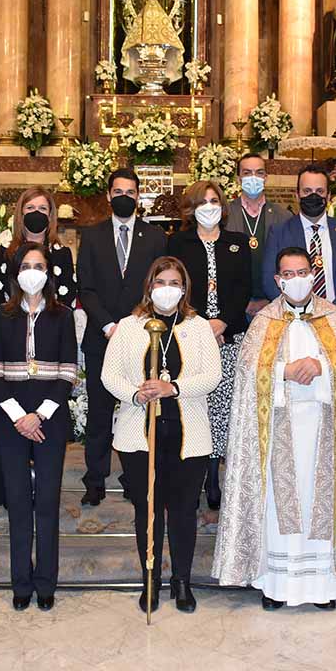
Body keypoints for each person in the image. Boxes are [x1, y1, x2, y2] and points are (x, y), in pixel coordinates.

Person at [213, 247, 336, 609]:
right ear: (278, 280)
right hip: (278, 428)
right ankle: (275, 585)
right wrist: (283, 372)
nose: (296, 279)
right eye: (287, 274)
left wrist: (321, 365)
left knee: (319, 506)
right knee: (281, 508)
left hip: (325, 429)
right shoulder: (264, 321)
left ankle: (321, 586)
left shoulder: (335, 317)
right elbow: (246, 375)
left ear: (313, 274)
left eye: (302, 272)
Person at [101, 256, 221, 612]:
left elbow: (212, 375)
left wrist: (174, 388)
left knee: (184, 510)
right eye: (160, 282)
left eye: (174, 283)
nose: (166, 289)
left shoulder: (198, 328)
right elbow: (110, 375)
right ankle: (150, 578)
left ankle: (182, 581)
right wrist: (136, 393)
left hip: (188, 433)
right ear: (149, 286)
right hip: (140, 432)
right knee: (148, 510)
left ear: (183, 288)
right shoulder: (129, 325)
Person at [0, 243, 78, 611]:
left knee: (48, 502)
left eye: (39, 265)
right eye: (26, 265)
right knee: (19, 502)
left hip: (49, 420)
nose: (33, 271)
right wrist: (17, 416)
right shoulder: (2, 316)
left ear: (49, 272)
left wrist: (39, 414)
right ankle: (21, 582)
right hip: (11, 422)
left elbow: (69, 370)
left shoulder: (63, 315)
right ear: (16, 271)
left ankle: (46, 582)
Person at [76, 168, 167, 506]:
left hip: (142, 337)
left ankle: (134, 476)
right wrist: (108, 326)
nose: (125, 196)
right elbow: (86, 287)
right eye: (119, 191)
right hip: (102, 337)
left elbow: (159, 286)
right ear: (108, 196)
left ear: (139, 196)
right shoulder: (93, 235)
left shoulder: (156, 237)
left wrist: (132, 325)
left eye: (131, 191)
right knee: (99, 412)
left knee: (137, 408)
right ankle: (95, 480)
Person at [169, 180, 252, 510]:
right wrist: (204, 327)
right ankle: (198, 473)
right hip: (193, 336)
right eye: (202, 201)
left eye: (214, 200)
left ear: (223, 205)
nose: (208, 206)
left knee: (225, 409)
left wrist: (223, 323)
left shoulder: (238, 243)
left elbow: (244, 288)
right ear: (192, 207)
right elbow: (174, 287)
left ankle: (219, 477)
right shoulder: (178, 242)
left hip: (230, 337)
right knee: (196, 406)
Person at [262, 164, 336, 326]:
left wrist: (332, 312)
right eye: (307, 191)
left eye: (319, 191)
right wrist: (295, 312)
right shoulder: (279, 232)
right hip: (292, 322)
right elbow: (270, 279)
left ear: (329, 195)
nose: (313, 196)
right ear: (297, 196)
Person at [0, 187, 77, 311]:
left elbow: (68, 298)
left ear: (50, 215)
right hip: (12, 324)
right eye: (30, 208)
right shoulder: (4, 251)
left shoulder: (62, 253)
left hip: (52, 326)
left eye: (42, 208)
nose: (36, 213)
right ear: (21, 213)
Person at [225, 153, 291, 309]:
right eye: (247, 173)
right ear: (238, 179)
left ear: (266, 178)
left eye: (259, 172)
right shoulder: (224, 214)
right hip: (233, 304)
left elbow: (288, 264)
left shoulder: (283, 216)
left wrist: (271, 300)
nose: (253, 177)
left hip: (274, 303)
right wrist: (241, 302)